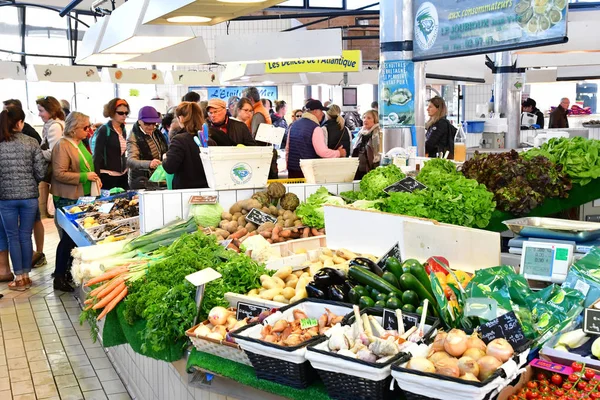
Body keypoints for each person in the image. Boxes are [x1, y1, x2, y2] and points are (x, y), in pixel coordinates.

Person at [51, 112, 100, 292]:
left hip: (82, 195)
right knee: (68, 238)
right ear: (73, 129)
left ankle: (68, 272)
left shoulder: (80, 144)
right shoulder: (62, 145)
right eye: (85, 128)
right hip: (67, 197)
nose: (89, 131)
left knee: (74, 238)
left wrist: (93, 178)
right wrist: (84, 176)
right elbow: (59, 173)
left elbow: (87, 166)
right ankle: (59, 275)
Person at [0, 106, 47, 291]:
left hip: (6, 198)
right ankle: (26, 276)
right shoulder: (31, 142)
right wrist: (30, 182)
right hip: (29, 197)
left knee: (13, 237)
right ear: (19, 122)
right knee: (25, 236)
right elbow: (41, 172)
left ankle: (18, 278)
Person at [33, 96, 65, 268]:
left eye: (41, 110)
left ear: (51, 110)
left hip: (57, 175)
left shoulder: (54, 127)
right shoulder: (54, 125)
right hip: (58, 176)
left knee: (59, 214)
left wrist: (37, 153)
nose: (39, 114)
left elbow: (55, 153)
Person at [286, 100, 347, 179]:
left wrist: (289, 165)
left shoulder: (294, 125)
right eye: (321, 111)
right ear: (315, 111)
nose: (322, 114)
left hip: (293, 170)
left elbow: (287, 149)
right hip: (308, 172)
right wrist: (339, 153)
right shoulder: (315, 128)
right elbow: (322, 152)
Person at [162, 102, 210, 189]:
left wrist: (165, 158)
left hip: (185, 192)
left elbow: (170, 167)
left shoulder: (179, 140)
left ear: (180, 118)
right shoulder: (209, 141)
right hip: (207, 190)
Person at [92, 98, 130, 190]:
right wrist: (97, 178)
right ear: (112, 113)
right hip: (107, 175)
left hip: (122, 174)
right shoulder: (104, 130)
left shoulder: (123, 129)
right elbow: (97, 155)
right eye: (120, 113)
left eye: (126, 113)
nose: (124, 115)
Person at [127, 106, 168, 190]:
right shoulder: (133, 137)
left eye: (153, 123)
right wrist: (149, 164)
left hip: (157, 179)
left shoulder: (156, 132)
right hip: (141, 182)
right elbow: (131, 161)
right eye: (147, 123)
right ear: (139, 122)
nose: (151, 126)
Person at [243, 87, 277, 178]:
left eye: (244, 100)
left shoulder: (258, 114)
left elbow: (257, 138)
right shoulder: (259, 110)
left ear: (250, 99)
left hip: (261, 157)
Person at [352, 109, 382, 179]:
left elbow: (377, 152)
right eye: (364, 117)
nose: (365, 120)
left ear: (375, 119)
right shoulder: (361, 132)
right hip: (359, 168)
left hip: (372, 168)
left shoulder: (377, 133)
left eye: (369, 118)